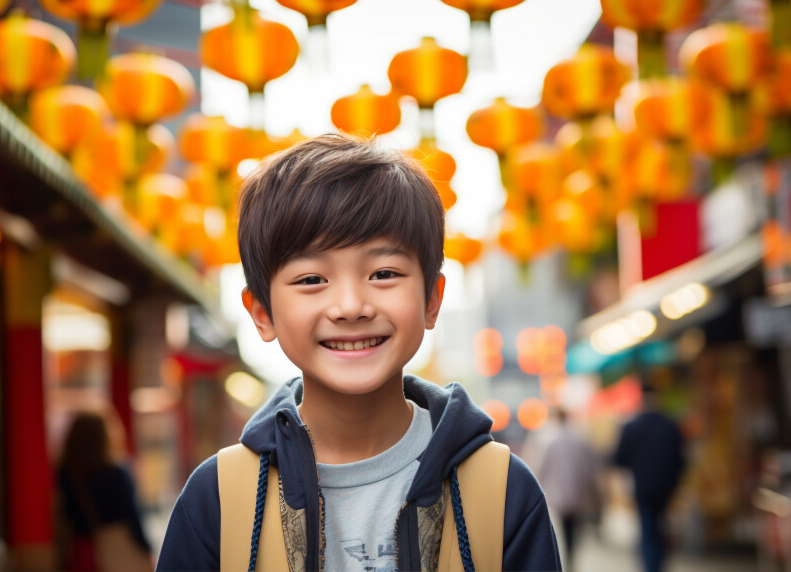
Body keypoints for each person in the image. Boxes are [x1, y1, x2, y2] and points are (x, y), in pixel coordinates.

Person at [156, 134, 561, 571]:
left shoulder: (502, 491)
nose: (350, 306)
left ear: (432, 299)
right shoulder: (217, 499)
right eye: (312, 279)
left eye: (383, 273)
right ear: (261, 313)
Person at [57, 409, 152, 572]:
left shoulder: (67, 473)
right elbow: (131, 514)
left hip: (83, 551)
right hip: (117, 549)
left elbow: (67, 514)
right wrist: (146, 548)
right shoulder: (117, 472)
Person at [612, 382, 686, 572]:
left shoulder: (632, 426)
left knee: (648, 529)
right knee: (660, 526)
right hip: (666, 487)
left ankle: (651, 566)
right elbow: (681, 459)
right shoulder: (670, 425)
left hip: (643, 487)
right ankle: (658, 564)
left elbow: (619, 459)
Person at [536, 408, 599, 569]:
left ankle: (568, 559)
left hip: (559, 495)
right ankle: (572, 558)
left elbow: (543, 468)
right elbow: (590, 468)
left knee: (564, 529)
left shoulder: (553, 442)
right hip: (578, 493)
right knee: (574, 528)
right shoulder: (580, 441)